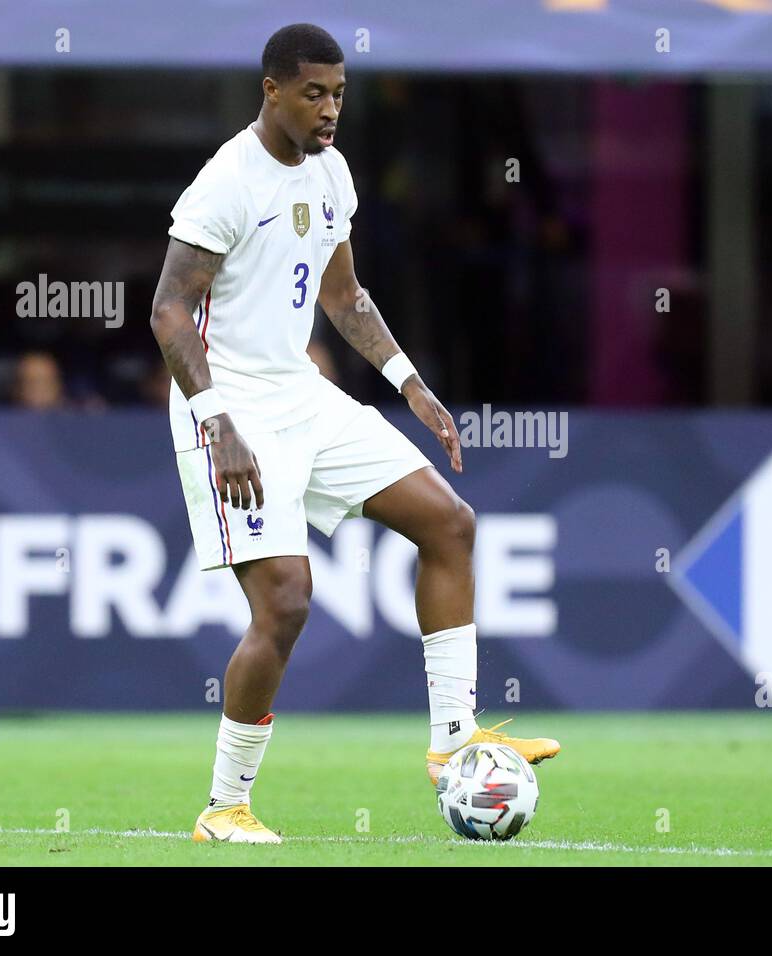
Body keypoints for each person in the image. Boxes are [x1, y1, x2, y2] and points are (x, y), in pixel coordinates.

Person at [149, 23, 559, 844]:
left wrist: (412, 383)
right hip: (232, 410)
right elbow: (166, 309)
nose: (331, 107)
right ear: (272, 90)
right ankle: (224, 805)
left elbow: (344, 296)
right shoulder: (228, 179)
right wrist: (216, 423)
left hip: (303, 394)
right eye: (313, 93)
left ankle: (453, 740)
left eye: (338, 92)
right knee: (287, 602)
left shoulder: (333, 173)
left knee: (449, 522)